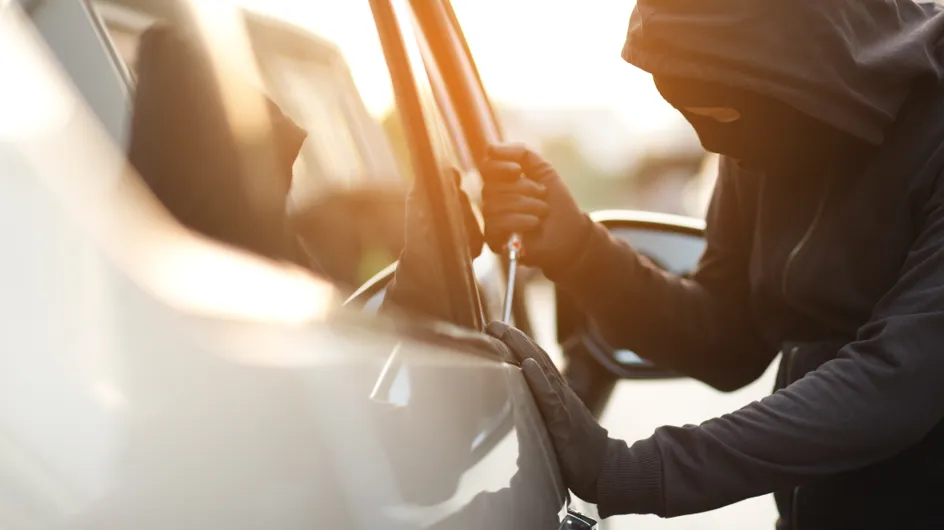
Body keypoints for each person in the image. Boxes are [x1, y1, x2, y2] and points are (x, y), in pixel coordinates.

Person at [480, 0, 944, 528]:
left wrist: (627, 469)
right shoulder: (770, 116)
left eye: (722, 115)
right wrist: (579, 251)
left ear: (800, 66)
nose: (714, 144)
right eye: (688, 113)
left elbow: (904, 377)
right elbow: (729, 337)